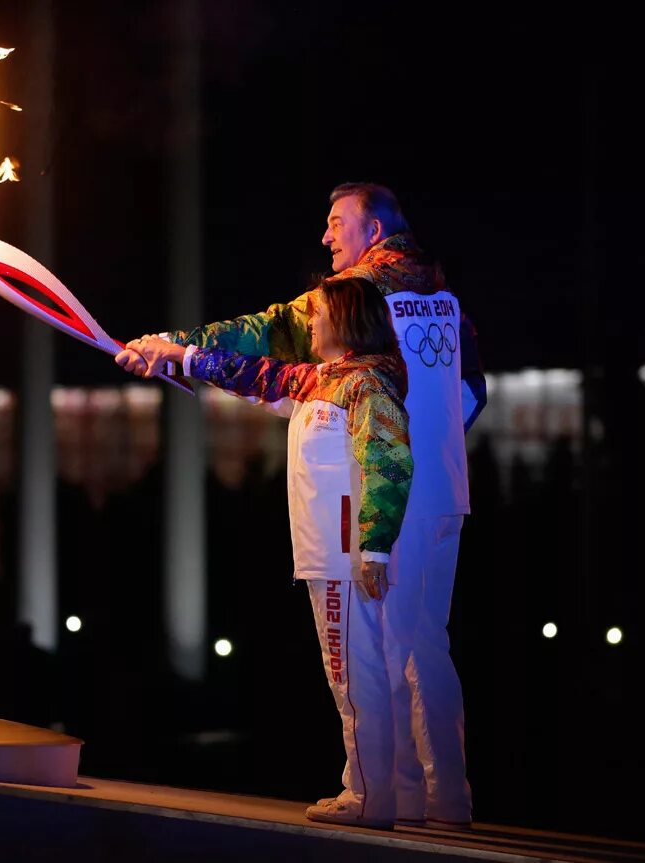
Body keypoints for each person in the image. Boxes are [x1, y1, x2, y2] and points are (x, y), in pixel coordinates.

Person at [122, 182, 485, 829]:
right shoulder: (447, 300)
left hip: (381, 496)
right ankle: (442, 796)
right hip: (441, 492)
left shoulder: (354, 297)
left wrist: (175, 346)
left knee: (375, 649)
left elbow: (263, 337)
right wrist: (431, 448)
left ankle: (383, 793)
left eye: (336, 221)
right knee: (425, 643)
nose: (326, 235)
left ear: (373, 231)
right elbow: (473, 392)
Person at [118, 277, 413, 828]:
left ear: (346, 320)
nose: (309, 323)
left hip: (347, 557)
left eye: (318, 313)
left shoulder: (366, 384)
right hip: (330, 556)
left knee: (355, 672)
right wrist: (170, 355)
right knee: (352, 671)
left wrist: (373, 547)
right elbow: (249, 374)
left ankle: (370, 797)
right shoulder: (319, 380)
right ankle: (376, 790)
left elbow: (390, 462)